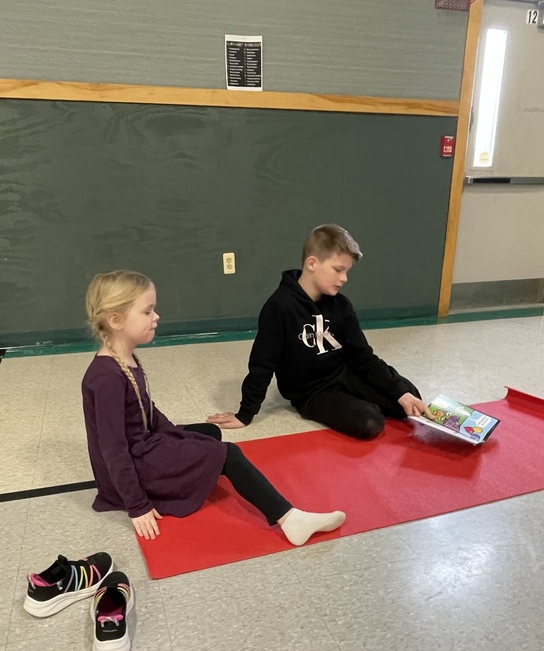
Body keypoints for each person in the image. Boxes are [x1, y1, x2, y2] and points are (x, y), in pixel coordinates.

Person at [82, 270, 346, 546]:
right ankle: (290, 519)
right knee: (229, 453)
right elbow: (113, 449)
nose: (156, 316)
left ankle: (194, 458)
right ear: (115, 320)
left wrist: (175, 438)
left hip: (142, 445)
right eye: (148, 311)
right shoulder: (107, 378)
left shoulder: (123, 358)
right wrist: (137, 505)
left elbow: (146, 409)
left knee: (209, 432)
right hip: (135, 462)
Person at [208, 223, 430, 440]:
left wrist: (400, 391)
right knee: (370, 422)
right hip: (313, 391)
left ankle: (373, 399)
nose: (344, 278)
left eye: (347, 271)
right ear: (312, 263)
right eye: (338, 270)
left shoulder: (341, 305)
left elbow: (363, 357)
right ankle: (360, 405)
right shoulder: (279, 307)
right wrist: (245, 414)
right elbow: (262, 365)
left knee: (410, 398)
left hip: (345, 373)